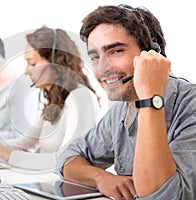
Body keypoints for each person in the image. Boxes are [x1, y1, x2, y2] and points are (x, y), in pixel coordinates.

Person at [57, 4, 196, 200]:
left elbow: (163, 196)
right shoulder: (122, 110)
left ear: (151, 51)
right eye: (95, 57)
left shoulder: (191, 105)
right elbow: (68, 158)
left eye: (116, 51)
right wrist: (101, 178)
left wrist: (150, 95)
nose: (103, 68)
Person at [0, 26, 102, 171]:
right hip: (47, 184)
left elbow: (69, 159)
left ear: (56, 61)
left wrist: (9, 155)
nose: (26, 71)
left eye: (32, 63)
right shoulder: (54, 99)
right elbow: (27, 142)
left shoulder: (80, 97)